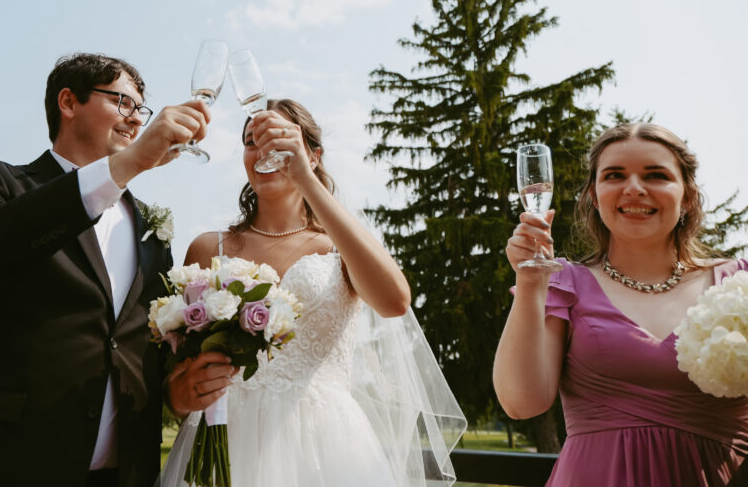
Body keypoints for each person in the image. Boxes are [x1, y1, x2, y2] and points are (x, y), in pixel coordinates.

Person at [0, 52, 233, 487]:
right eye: (123, 102)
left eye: (141, 110)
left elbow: (141, 343)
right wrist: (126, 166)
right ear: (68, 102)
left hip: (124, 470)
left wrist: (179, 387)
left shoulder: (151, 228)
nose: (136, 120)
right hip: (5, 463)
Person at [161, 99, 465, 487]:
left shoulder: (340, 249)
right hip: (227, 439)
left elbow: (395, 301)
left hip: (328, 447)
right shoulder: (209, 249)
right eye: (251, 142)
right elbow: (181, 374)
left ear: (314, 154)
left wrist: (306, 179)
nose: (263, 151)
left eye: (278, 139)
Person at [493, 123, 748, 486]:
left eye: (655, 175)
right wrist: (530, 281)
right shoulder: (565, 285)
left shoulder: (739, 284)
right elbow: (522, 402)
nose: (633, 187)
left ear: (688, 195)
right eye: (614, 175)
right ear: (595, 196)